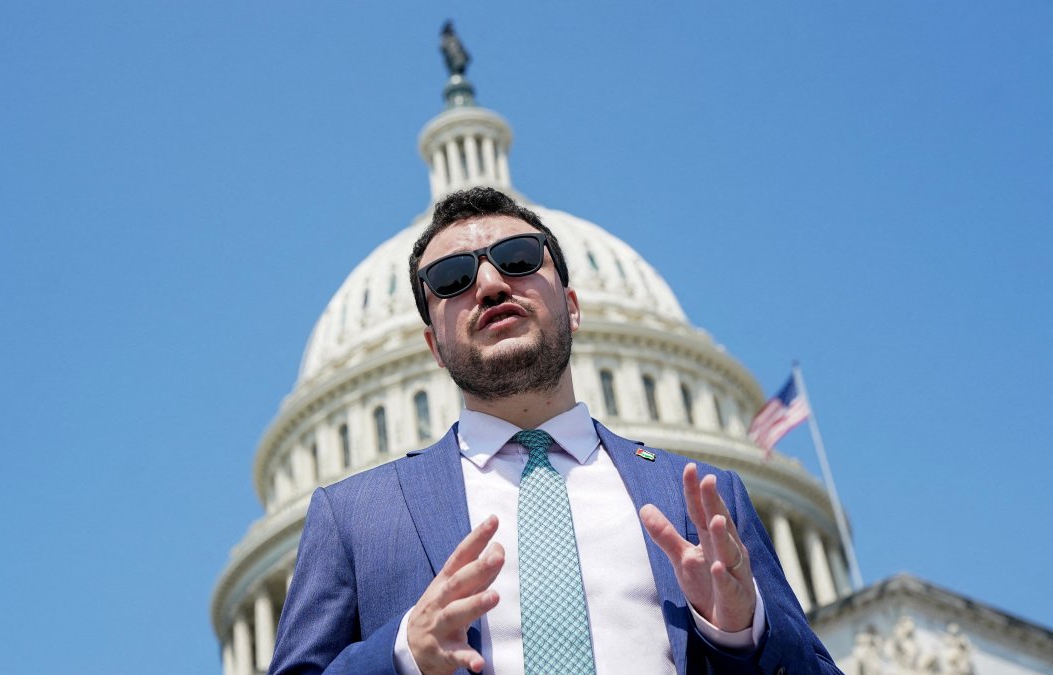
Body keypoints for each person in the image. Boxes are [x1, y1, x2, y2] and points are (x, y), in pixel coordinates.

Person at [269, 186, 840, 674]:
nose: (490, 284)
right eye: (451, 279)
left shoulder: (701, 499)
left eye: (518, 259)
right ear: (433, 347)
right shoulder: (356, 517)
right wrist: (401, 655)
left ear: (571, 307)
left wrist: (743, 632)